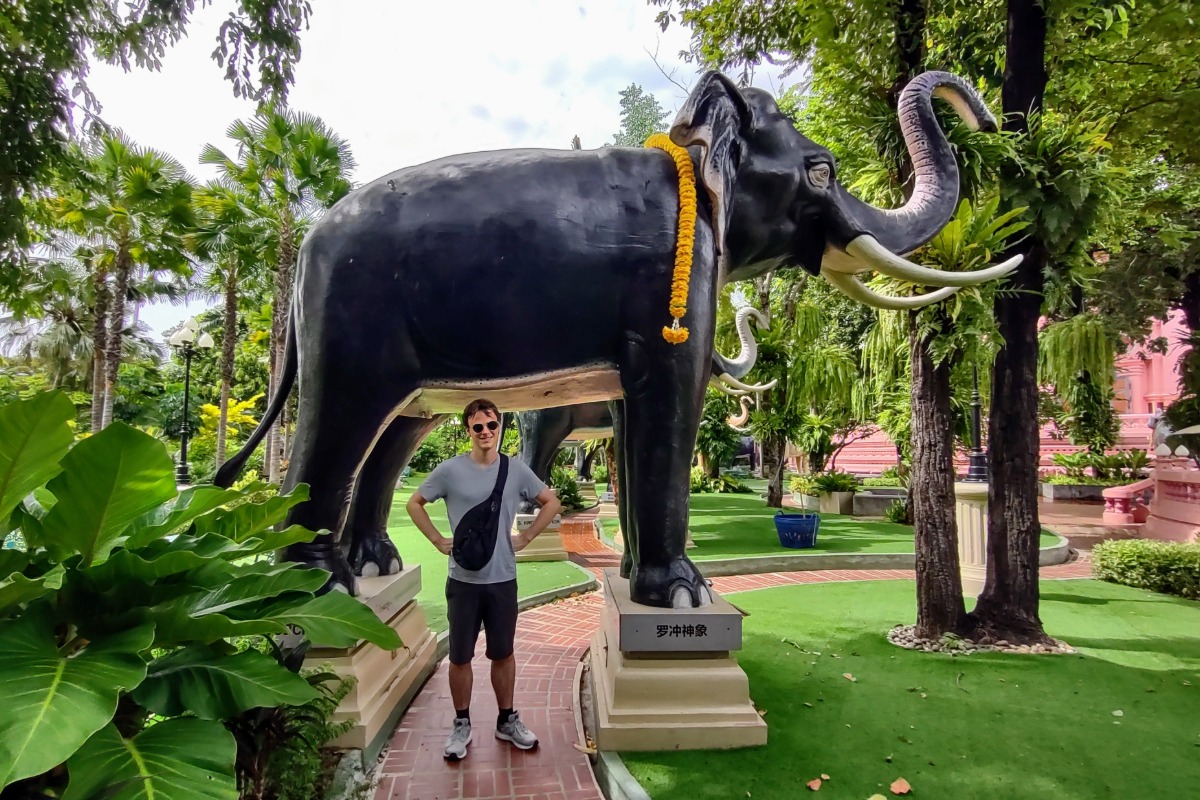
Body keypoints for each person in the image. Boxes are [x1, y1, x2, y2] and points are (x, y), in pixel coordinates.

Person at [406, 398, 562, 761]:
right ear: (468, 431)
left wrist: (525, 538)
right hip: (463, 581)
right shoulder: (449, 471)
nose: (486, 433)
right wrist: (436, 539)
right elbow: (415, 503)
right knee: (460, 656)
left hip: (502, 580)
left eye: (492, 425)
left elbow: (550, 502)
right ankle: (461, 723)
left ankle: (506, 720)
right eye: (478, 427)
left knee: (503, 653)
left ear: (500, 427)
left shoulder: (516, 470)